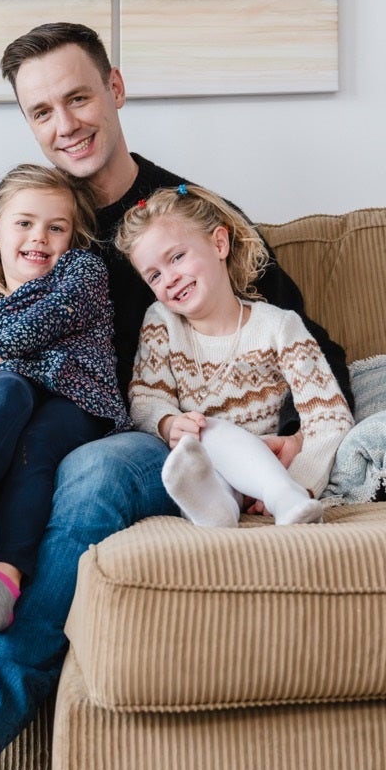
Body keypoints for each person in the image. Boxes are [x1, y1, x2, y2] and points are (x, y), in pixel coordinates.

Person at [0, 22, 353, 770]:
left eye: (78, 96)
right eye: (41, 111)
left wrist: (289, 434)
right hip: (2, 425)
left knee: (90, 472)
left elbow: (300, 336)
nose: (64, 123)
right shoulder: (14, 219)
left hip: (134, 436)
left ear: (116, 89)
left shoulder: (185, 216)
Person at [0, 163, 130, 645]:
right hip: (9, 398)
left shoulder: (81, 272)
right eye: (24, 223)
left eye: (56, 227)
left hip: (74, 395)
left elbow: (49, 319)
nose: (40, 236)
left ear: (71, 238)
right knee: (5, 389)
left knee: (35, 449)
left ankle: (3, 582)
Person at [116, 183, 354, 526]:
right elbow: (146, 397)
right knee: (199, 442)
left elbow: (329, 416)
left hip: (273, 467)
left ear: (219, 243)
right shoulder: (162, 323)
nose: (169, 278)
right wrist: (169, 423)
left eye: (177, 257)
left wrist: (300, 479)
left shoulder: (278, 326)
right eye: (153, 274)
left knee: (209, 433)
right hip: (207, 467)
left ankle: (286, 497)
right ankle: (220, 511)